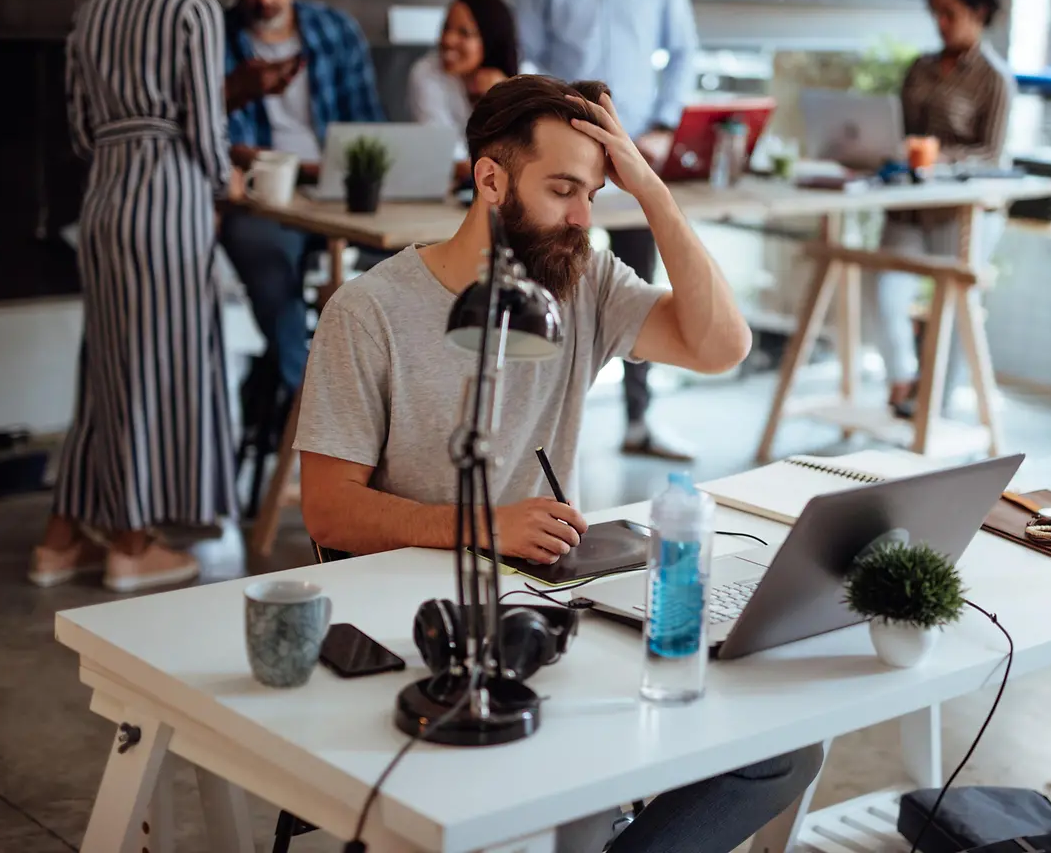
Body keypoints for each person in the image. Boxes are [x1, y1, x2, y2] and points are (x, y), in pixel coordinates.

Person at [293, 73, 815, 852]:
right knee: (561, 788)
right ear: (491, 178)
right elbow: (328, 510)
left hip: (551, 612)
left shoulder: (582, 283)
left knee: (781, 749)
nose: (581, 216)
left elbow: (721, 346)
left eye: (595, 194)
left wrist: (652, 192)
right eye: (563, 188)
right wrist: (482, 527)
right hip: (425, 625)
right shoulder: (369, 311)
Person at [30, 0, 240, 592]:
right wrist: (224, 183)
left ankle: (59, 542)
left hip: (103, 198)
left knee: (107, 371)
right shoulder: (192, 11)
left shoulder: (93, 11)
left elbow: (81, 127)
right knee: (155, 368)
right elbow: (203, 125)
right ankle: (131, 542)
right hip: (169, 198)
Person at [516, 0, 700, 460]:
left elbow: (683, 49)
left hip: (631, 151)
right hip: (560, 158)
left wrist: (665, 127)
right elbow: (525, 52)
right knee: (546, 270)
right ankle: (528, 426)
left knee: (636, 283)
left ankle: (638, 422)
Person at [218, 0, 386, 406]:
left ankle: (383, 393)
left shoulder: (336, 31)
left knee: (413, 257)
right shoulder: (214, 36)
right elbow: (224, 142)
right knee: (263, 252)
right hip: (264, 197)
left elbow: (369, 128)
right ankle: (309, 397)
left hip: (339, 188)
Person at [877, 0, 1016, 420]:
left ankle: (934, 401)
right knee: (883, 290)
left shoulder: (994, 79)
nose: (939, 22)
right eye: (934, 11)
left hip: (960, 212)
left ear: (978, 11)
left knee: (953, 305)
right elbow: (899, 129)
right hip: (909, 205)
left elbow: (990, 153)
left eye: (949, 12)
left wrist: (939, 156)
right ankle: (902, 377)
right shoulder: (920, 67)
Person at [407, 0, 520, 186]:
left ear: (490, 38)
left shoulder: (523, 76)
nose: (448, 40)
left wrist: (502, 98)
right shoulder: (427, 73)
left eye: (464, 33)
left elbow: (527, 150)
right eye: (446, 28)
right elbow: (444, 152)